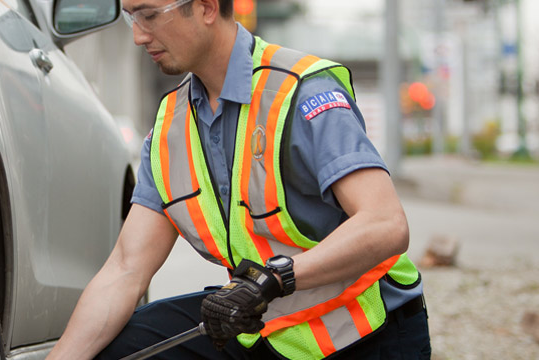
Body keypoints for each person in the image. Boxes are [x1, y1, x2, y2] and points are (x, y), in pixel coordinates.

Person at [46, 0, 430, 358]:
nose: (138, 35)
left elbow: (386, 224)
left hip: (367, 334)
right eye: (131, 17)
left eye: (148, 14)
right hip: (265, 326)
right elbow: (125, 270)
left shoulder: (301, 91)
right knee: (117, 348)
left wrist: (271, 280)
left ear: (207, 7)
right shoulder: (170, 129)